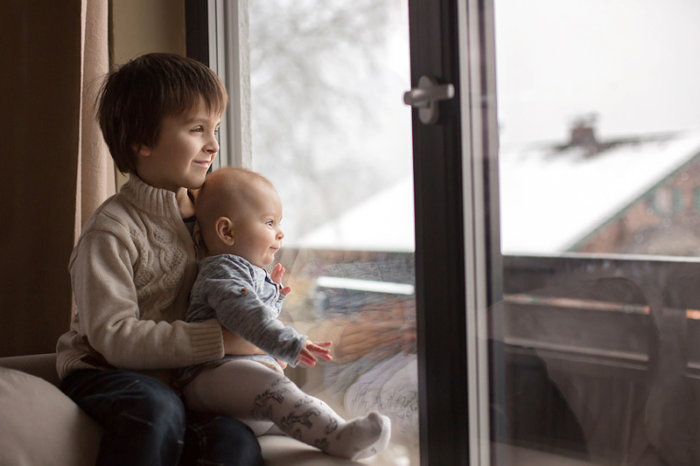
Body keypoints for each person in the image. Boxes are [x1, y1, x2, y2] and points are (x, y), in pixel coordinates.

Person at [55, 53, 263, 466]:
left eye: (216, 129)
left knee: (234, 441)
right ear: (142, 141)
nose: (214, 145)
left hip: (184, 379)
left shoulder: (214, 219)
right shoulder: (111, 230)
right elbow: (114, 337)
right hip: (104, 372)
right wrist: (218, 340)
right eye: (196, 129)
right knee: (157, 409)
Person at [180, 167, 392, 461]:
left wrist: (274, 294)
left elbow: (253, 311)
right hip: (210, 378)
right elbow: (247, 316)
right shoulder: (222, 271)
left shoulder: (246, 273)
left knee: (296, 403)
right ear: (226, 231)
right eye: (269, 222)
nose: (280, 232)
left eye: (279, 223)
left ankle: (340, 433)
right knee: (277, 391)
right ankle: (338, 436)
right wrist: (291, 343)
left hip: (239, 388)